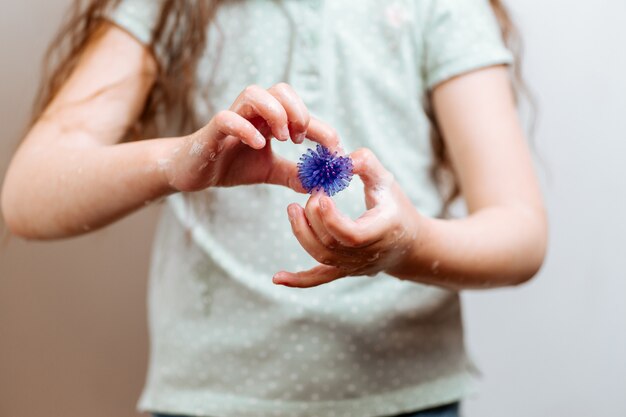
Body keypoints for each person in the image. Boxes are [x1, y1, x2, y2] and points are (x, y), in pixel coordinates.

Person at [0, 0, 548, 416]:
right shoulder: (171, 6)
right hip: (207, 401)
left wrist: (407, 248)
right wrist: (176, 161)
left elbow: (520, 233)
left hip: (409, 399)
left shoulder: (443, 8)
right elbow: (27, 194)